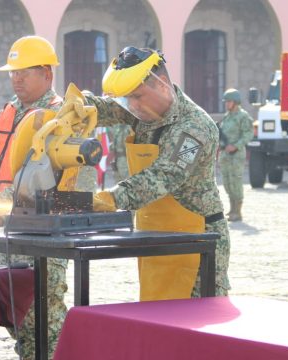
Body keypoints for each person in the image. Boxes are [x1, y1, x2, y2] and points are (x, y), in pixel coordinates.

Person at [0, 35, 95, 360]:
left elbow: (83, 188)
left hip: (45, 235)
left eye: (24, 73)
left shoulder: (65, 117)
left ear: (46, 73)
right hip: (9, 231)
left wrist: (38, 208)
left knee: (46, 312)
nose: (17, 80)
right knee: (16, 311)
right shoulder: (5, 114)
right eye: (13, 73)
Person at [88, 46, 230, 299]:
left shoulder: (194, 126)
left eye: (136, 96)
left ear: (162, 83)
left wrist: (112, 198)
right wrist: (74, 106)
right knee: (157, 312)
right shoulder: (141, 108)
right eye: (126, 99)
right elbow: (103, 108)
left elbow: (165, 176)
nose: (131, 105)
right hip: (154, 230)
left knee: (192, 321)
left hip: (197, 238)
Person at [218, 88, 253, 222]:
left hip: (236, 155)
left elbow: (248, 134)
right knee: (227, 181)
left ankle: (238, 211)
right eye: (226, 102)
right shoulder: (227, 116)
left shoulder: (243, 116)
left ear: (236, 102)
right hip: (225, 154)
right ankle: (232, 209)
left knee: (236, 181)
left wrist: (236, 145)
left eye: (229, 101)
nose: (227, 104)